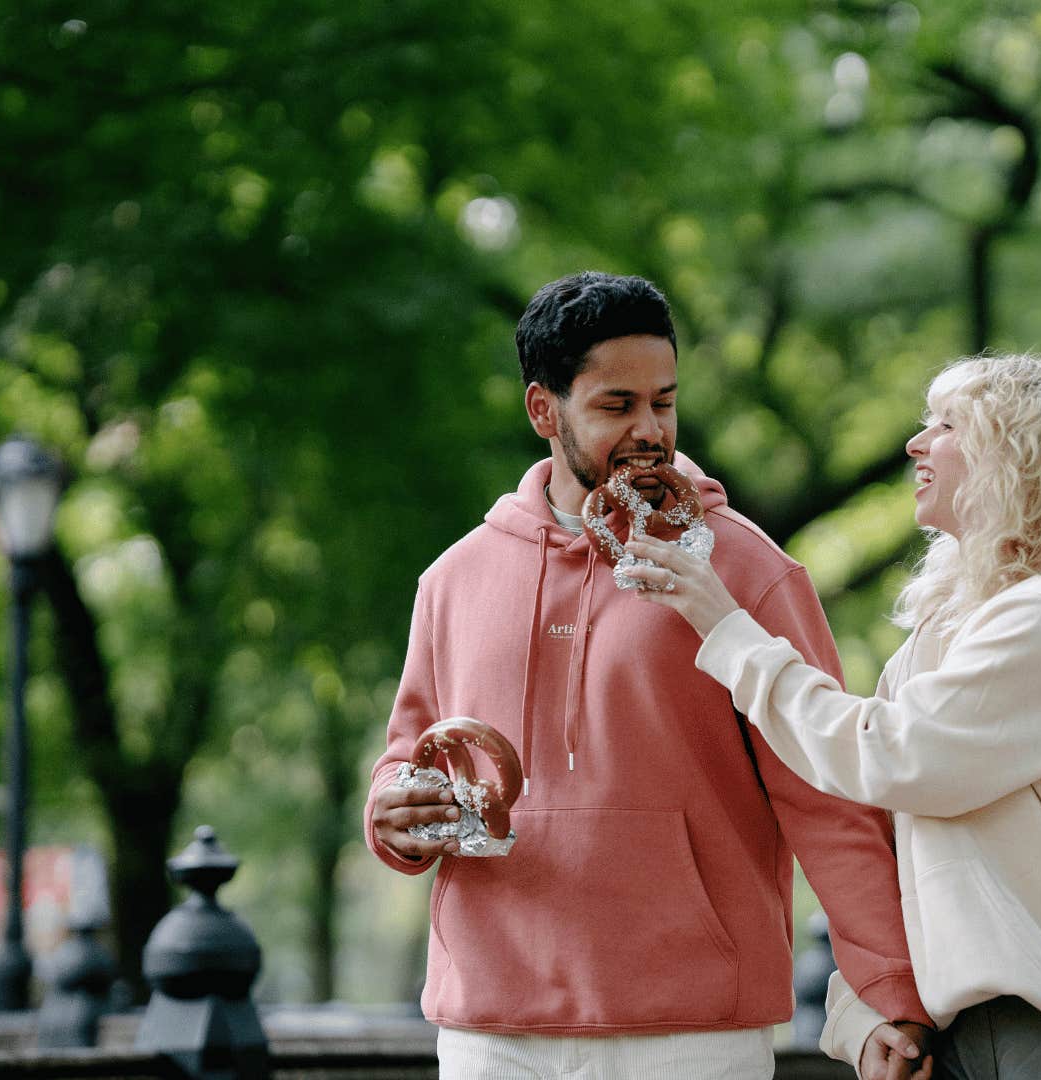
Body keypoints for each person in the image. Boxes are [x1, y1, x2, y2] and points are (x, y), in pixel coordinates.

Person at [363, 271, 933, 1080]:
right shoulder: (453, 580)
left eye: (663, 401)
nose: (649, 429)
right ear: (542, 410)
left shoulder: (747, 569)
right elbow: (408, 759)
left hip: (693, 1029)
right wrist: (389, 818)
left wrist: (889, 992)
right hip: (492, 1027)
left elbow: (827, 795)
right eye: (616, 405)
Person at [622, 354, 1041, 1080]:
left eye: (947, 426)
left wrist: (727, 627)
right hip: (963, 1033)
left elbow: (890, 757)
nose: (914, 445)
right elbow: (876, 831)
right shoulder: (946, 632)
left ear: (1017, 453)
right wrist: (860, 1008)